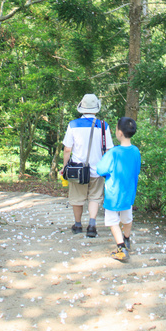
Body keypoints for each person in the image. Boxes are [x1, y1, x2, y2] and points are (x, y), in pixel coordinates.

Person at [62, 94, 113, 237]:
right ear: (96, 109)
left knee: (77, 198)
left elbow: (67, 149)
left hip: (77, 170)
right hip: (98, 169)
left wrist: (64, 167)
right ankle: (92, 224)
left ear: (82, 108)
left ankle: (78, 225)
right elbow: (108, 149)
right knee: (95, 198)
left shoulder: (73, 125)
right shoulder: (104, 125)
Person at [96, 117, 141, 262]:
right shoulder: (135, 151)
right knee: (127, 218)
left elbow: (101, 169)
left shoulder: (114, 153)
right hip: (129, 191)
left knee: (112, 220)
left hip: (113, 193)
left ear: (120, 133)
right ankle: (127, 239)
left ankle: (121, 248)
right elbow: (137, 169)